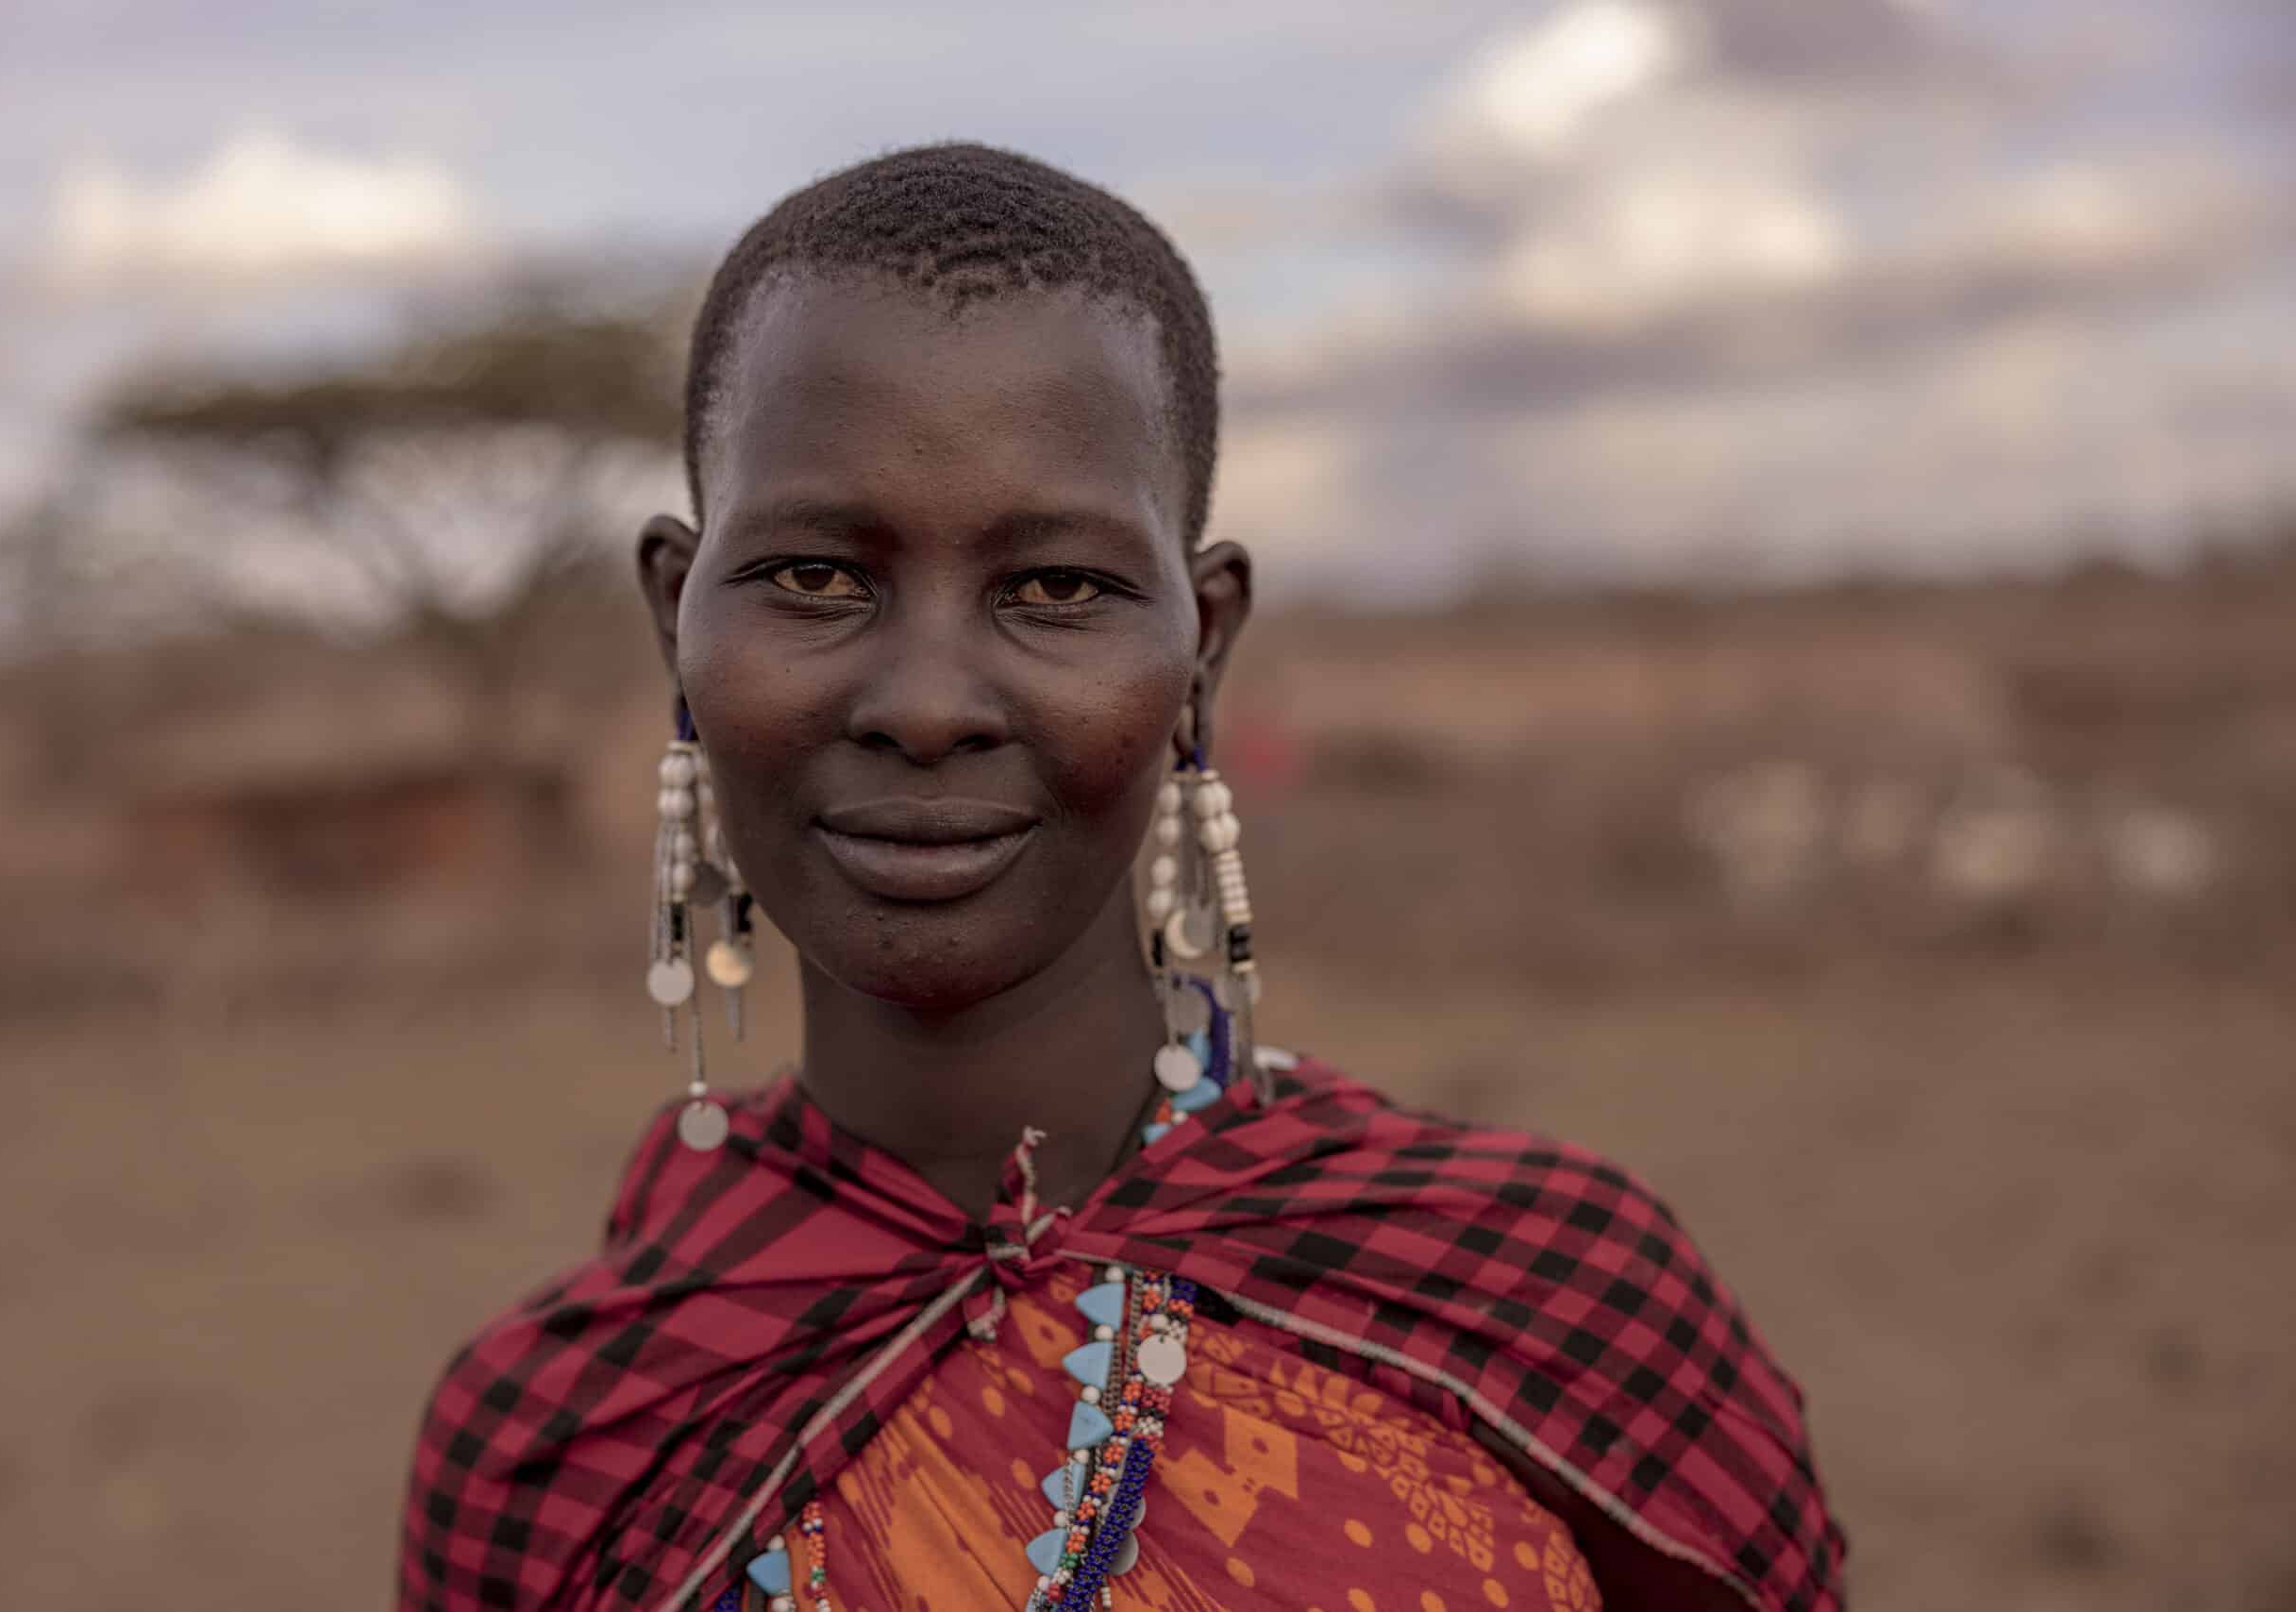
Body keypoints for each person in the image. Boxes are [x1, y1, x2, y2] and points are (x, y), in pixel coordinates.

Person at [400, 143, 1843, 1612]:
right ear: (674, 623)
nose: (927, 701)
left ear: (1203, 648)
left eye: (1058, 589)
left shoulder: (1545, 1291)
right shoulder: (563, 1442)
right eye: (818, 577)